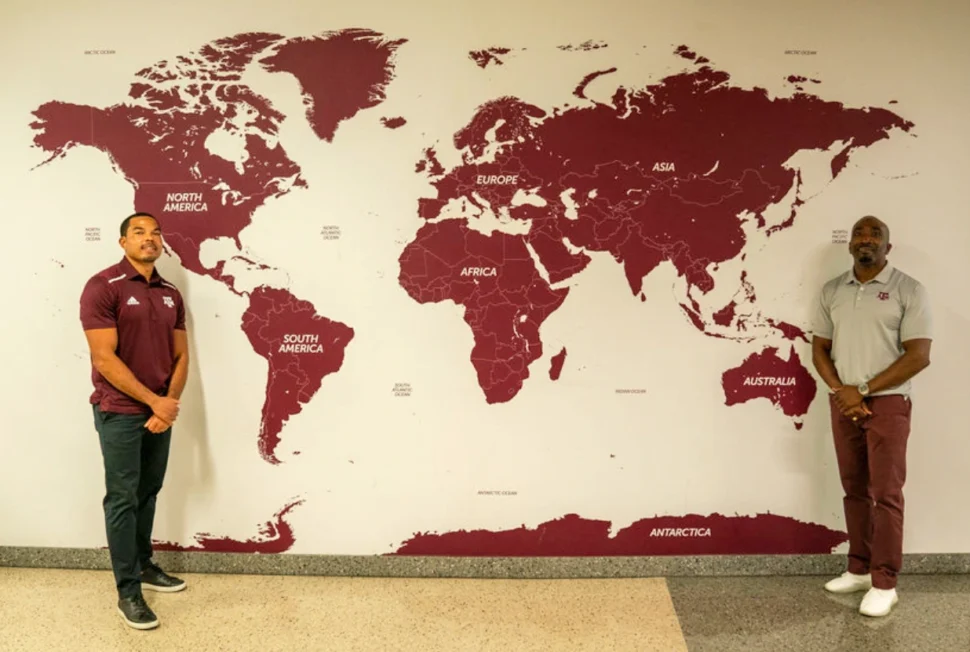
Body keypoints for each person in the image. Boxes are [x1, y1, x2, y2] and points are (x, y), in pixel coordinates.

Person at [811, 215, 932, 618]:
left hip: (888, 404)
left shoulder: (908, 290)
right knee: (854, 488)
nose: (866, 239)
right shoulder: (833, 290)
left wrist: (861, 391)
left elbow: (918, 356)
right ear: (849, 246)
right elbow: (819, 349)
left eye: (875, 234)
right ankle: (859, 568)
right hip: (844, 403)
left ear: (887, 247)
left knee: (886, 494)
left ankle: (884, 583)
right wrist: (841, 393)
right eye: (859, 234)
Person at [80, 212, 190, 630]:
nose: (150, 239)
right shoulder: (102, 287)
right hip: (120, 411)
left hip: (160, 410)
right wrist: (153, 403)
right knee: (123, 498)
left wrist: (168, 402)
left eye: (155, 232)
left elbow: (181, 356)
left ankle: (144, 565)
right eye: (139, 232)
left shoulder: (171, 292)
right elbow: (103, 358)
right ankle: (128, 592)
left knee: (148, 490)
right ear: (122, 242)